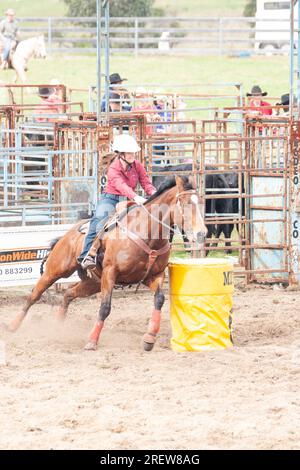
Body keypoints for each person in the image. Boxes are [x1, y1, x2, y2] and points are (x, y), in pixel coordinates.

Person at [77, 133, 156, 270]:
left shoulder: (137, 166)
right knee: (99, 221)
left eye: (133, 152)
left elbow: (146, 183)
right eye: (129, 152)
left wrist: (154, 193)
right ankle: (86, 255)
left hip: (127, 200)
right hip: (111, 198)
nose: (132, 155)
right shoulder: (113, 168)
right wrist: (136, 197)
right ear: (121, 154)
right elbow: (121, 186)